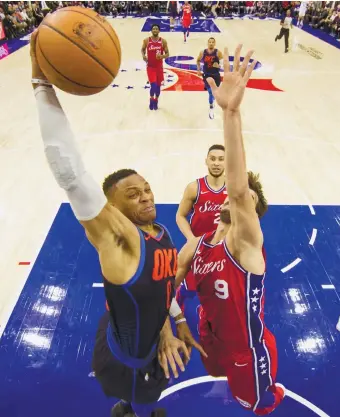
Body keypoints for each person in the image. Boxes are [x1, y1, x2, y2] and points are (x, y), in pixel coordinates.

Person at [30, 30, 204, 417]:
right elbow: (70, 172)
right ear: (112, 209)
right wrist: (42, 84)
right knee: (139, 402)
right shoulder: (116, 239)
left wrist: (173, 323)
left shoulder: (159, 233)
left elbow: (163, 284)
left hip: (142, 331)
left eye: (146, 188)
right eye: (133, 194)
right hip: (125, 358)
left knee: (148, 396)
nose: (146, 196)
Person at [175, 45, 285, 415]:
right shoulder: (197, 246)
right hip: (209, 336)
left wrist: (231, 113)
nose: (235, 200)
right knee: (217, 383)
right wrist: (170, 323)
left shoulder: (247, 244)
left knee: (252, 406)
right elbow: (166, 288)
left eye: (246, 202)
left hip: (247, 352)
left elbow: (238, 191)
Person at [175, 144, 226, 310]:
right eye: (213, 159)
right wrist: (192, 240)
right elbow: (180, 216)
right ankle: (179, 300)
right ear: (206, 161)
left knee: (220, 287)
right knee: (190, 286)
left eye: (221, 159)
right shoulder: (194, 188)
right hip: (198, 247)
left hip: (223, 248)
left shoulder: (234, 190)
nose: (216, 163)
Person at [142, 24, 169, 111]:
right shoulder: (147, 40)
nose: (155, 30)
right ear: (151, 30)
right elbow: (142, 49)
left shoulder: (163, 41)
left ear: (159, 31)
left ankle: (156, 99)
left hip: (159, 68)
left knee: (158, 87)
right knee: (153, 85)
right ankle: (151, 99)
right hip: (150, 67)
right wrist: (144, 56)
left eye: (156, 29)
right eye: (153, 28)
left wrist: (161, 56)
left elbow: (168, 54)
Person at [196, 37, 223, 119]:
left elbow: (222, 63)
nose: (211, 43)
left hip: (216, 75)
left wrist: (218, 66)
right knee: (210, 92)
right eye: (210, 42)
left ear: (215, 44)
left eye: (212, 42)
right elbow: (197, 60)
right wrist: (198, 70)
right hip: (207, 74)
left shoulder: (218, 53)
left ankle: (212, 101)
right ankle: (211, 108)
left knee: (214, 93)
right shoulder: (203, 52)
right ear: (207, 43)